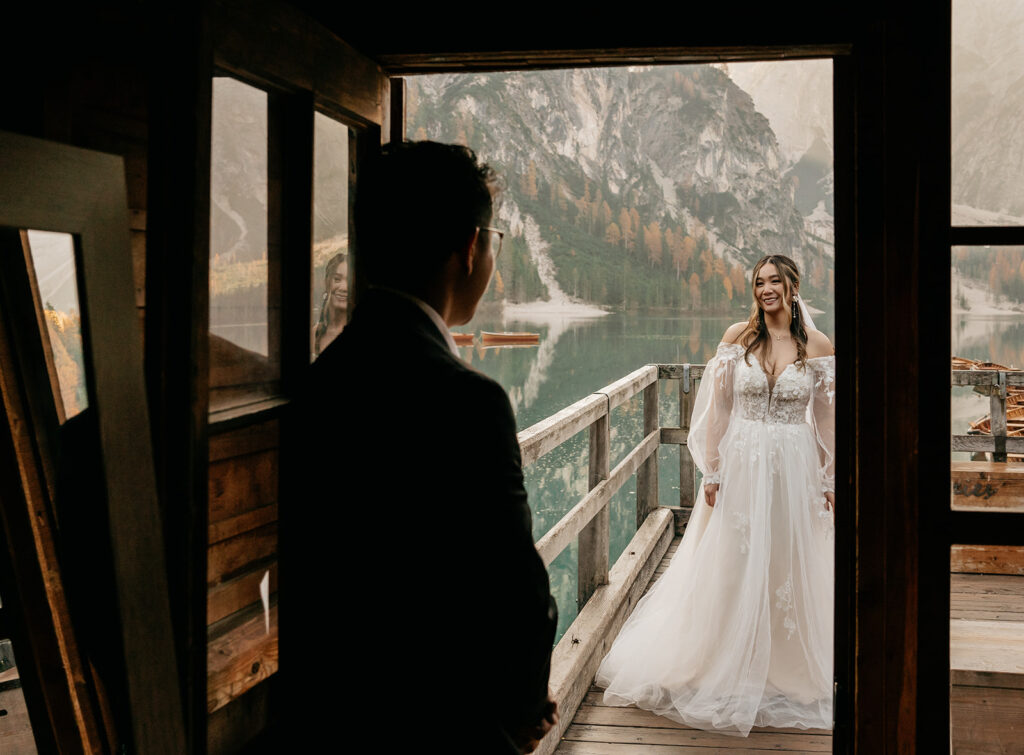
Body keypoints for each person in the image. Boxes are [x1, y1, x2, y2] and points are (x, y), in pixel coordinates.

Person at [290, 141, 558, 753]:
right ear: (470, 248)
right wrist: (520, 705)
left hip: (330, 718)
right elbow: (517, 591)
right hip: (444, 726)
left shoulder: (318, 381)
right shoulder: (469, 401)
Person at [595, 254, 835, 736]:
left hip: (793, 466)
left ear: (792, 286)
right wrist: (712, 471)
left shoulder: (819, 346)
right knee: (732, 555)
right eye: (758, 282)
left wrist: (830, 478)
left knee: (785, 557)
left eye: (774, 281)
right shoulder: (737, 339)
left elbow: (826, 417)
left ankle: (784, 666)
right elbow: (719, 409)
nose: (765, 289)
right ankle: (722, 657)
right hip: (742, 464)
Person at [312, 251, 347, 358]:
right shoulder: (314, 333)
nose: (344, 288)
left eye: (350, 281)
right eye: (337, 279)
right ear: (327, 282)